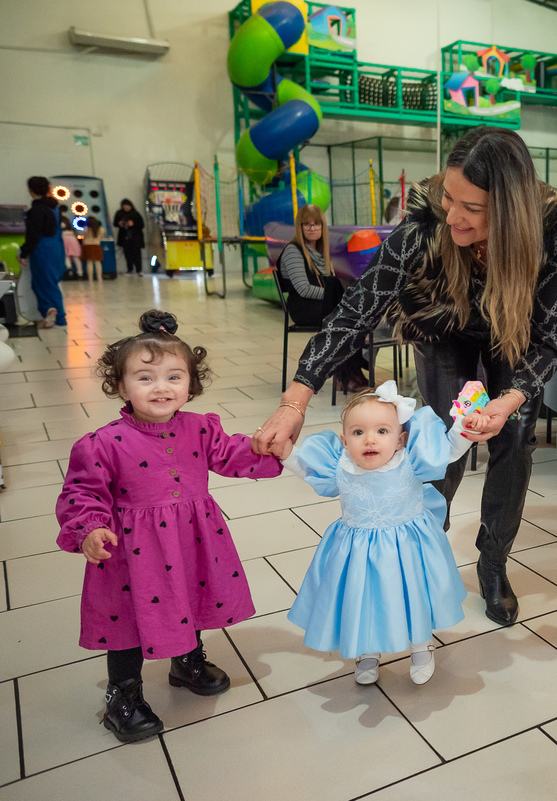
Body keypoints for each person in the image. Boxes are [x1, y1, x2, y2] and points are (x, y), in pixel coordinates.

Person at [252, 126, 557, 628]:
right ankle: (425, 558)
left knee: (514, 438)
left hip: (513, 329)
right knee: (438, 443)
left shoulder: (550, 229)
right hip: (441, 326)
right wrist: (295, 399)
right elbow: (354, 313)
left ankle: (493, 563)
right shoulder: (424, 226)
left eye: (472, 207)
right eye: (450, 196)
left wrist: (506, 401)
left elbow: (552, 336)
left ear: (511, 211)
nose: (454, 214)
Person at [55, 310, 283, 743]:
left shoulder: (200, 428)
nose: (161, 387)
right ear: (120, 385)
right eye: (145, 378)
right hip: (132, 552)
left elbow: (233, 454)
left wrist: (268, 451)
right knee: (128, 622)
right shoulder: (101, 444)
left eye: (174, 377)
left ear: (190, 384)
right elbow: (81, 493)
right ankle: (123, 696)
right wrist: (89, 528)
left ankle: (187, 660)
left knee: (190, 594)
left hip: (191, 538)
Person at [281, 382, 479, 685]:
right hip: (357, 552)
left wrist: (465, 426)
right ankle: (367, 649)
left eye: (382, 432)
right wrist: (285, 453)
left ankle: (421, 644)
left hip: (409, 549)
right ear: (345, 441)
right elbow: (307, 467)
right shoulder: (339, 465)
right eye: (358, 432)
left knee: (412, 596)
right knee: (365, 598)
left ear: (401, 439)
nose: (369, 440)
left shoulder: (411, 460)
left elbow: (448, 450)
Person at [277, 205, 369, 391]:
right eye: (307, 224)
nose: (312, 228)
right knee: (343, 320)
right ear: (300, 227)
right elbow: (304, 289)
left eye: (317, 224)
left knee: (351, 318)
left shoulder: (322, 253)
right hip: (304, 308)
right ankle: (348, 375)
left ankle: (349, 374)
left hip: (322, 306)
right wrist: (337, 296)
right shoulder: (293, 251)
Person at [18, 176, 67, 329]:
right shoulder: (55, 207)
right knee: (51, 282)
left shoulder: (36, 210)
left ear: (31, 190)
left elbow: (33, 235)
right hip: (57, 249)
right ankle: (50, 310)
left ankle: (56, 315)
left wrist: (24, 253)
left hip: (42, 251)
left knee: (42, 284)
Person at [113, 199, 145, 275]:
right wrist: (120, 223)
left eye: (127, 206)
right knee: (127, 254)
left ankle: (139, 270)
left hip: (135, 237)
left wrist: (133, 224)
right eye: (124, 206)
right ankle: (129, 269)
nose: (126, 208)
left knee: (137, 253)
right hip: (124, 237)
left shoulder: (135, 214)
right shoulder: (119, 214)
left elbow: (141, 225)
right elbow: (115, 223)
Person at [61, 212, 83, 281]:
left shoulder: (61, 230)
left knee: (66, 257)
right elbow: (77, 236)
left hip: (64, 242)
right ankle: (80, 272)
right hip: (73, 242)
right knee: (76, 258)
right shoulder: (72, 230)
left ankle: (69, 270)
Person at [82, 217, 104, 281]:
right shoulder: (101, 229)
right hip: (97, 245)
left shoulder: (86, 229)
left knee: (89, 262)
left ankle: (90, 278)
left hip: (87, 246)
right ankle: (99, 277)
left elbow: (84, 237)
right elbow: (101, 238)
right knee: (98, 262)